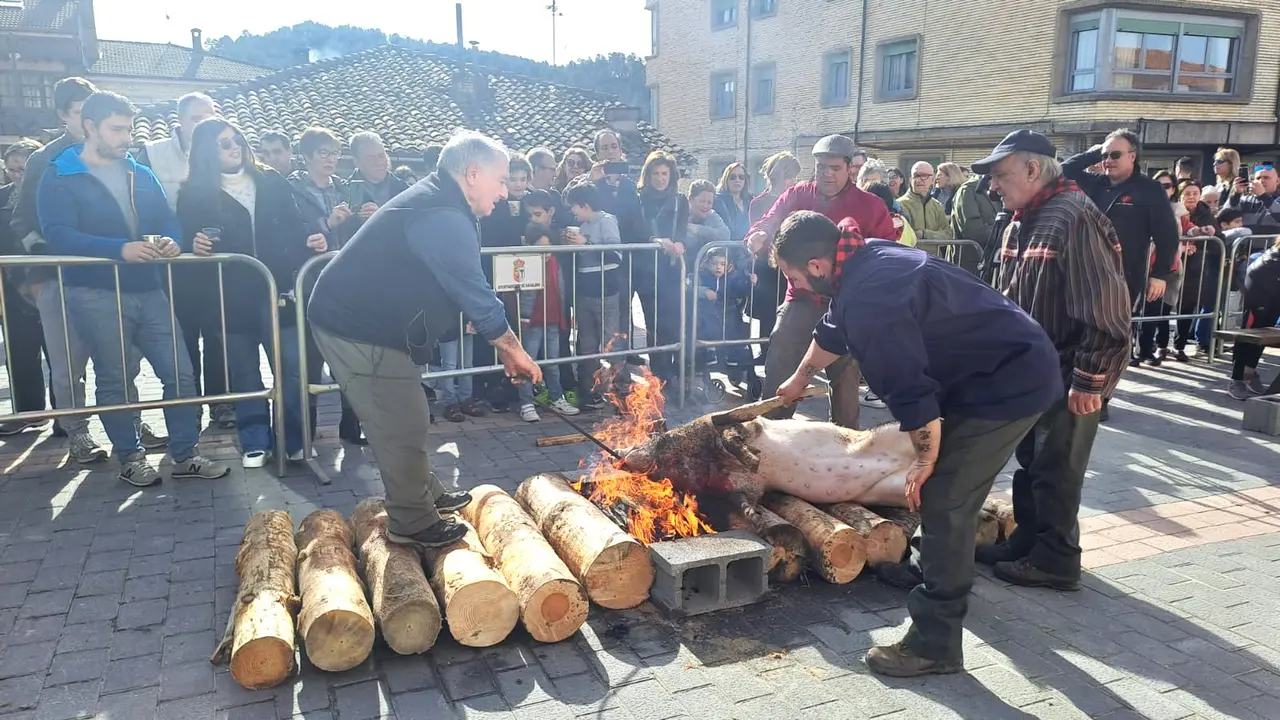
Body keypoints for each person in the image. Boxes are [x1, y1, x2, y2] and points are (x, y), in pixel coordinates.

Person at [772, 211, 1060, 677]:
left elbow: (910, 389)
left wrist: (926, 456)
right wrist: (797, 379)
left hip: (1008, 382)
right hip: (988, 373)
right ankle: (932, 567)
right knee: (944, 488)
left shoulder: (871, 296)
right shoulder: (862, 263)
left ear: (817, 264)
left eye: (793, 275)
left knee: (945, 496)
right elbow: (832, 329)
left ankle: (934, 642)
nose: (796, 284)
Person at [308, 130, 542, 548]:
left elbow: (448, 284)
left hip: (369, 320)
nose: (505, 192)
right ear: (472, 173)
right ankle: (412, 520)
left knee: (406, 413)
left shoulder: (442, 201)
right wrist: (513, 349)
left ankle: (423, 491)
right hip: (354, 324)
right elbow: (473, 288)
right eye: (501, 180)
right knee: (401, 418)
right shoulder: (442, 214)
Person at [37, 91, 230, 487]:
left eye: (128, 128)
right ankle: (130, 458)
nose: (126, 137)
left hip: (149, 288)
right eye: (117, 129)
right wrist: (118, 249)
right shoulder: (58, 173)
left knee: (179, 371)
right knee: (115, 377)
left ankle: (186, 454)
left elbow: (166, 218)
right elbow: (58, 235)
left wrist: (173, 242)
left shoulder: (139, 172)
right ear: (90, 127)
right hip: (94, 292)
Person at [971, 130, 1131, 592]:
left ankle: (1057, 559)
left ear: (1032, 169)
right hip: (1034, 371)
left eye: (1000, 176)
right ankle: (1029, 541)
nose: (992, 187)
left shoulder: (1072, 216)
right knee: (1033, 462)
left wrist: (1089, 379)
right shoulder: (1025, 217)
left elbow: (1107, 308)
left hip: (1070, 371)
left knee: (1057, 468)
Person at [7, 77, 160, 453]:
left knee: (124, 360)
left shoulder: (124, 158)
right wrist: (41, 274)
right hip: (62, 279)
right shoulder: (46, 160)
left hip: (116, 278)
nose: (90, 120)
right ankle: (77, 432)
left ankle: (133, 424)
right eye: (80, 113)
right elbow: (21, 221)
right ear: (64, 116)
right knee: (68, 365)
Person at [176, 118, 329, 468]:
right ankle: (254, 440)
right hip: (229, 297)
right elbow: (185, 239)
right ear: (205, 151)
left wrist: (313, 240)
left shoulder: (271, 180)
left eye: (237, 141)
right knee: (244, 372)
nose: (234, 148)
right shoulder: (193, 193)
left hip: (281, 291)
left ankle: (293, 439)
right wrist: (192, 243)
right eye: (224, 143)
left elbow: (298, 228)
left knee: (292, 367)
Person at [746, 134, 897, 429]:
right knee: (781, 353)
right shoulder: (797, 194)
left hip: (846, 302)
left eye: (834, 168)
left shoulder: (870, 205)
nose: (826, 173)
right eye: (820, 167)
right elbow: (770, 219)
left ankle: (845, 439)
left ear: (849, 168)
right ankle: (770, 431)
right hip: (801, 298)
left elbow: (885, 249)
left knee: (845, 372)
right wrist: (759, 234)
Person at [1063, 128, 1180, 418]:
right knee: (1083, 332)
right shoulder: (1096, 183)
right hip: (1086, 271)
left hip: (1124, 275)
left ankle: (1103, 397)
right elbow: (1066, 169)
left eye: (1115, 155)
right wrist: (1096, 151)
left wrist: (1161, 274)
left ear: (1133, 156)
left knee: (1111, 335)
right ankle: (1081, 388)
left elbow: (1167, 236)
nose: (1108, 161)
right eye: (1105, 155)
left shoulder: (1149, 190)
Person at [138, 92, 233, 429]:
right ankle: (189, 406)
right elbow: (147, 209)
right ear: (180, 121)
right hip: (175, 267)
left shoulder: (226, 153)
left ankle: (222, 404)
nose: (204, 123)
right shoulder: (151, 154)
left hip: (218, 268)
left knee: (219, 338)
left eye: (210, 116)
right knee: (184, 340)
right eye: (196, 118)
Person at [288, 126, 365, 444]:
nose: (331, 159)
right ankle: (305, 432)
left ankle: (351, 426)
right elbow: (289, 230)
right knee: (308, 361)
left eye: (335, 153)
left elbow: (357, 231)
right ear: (306, 157)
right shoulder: (290, 189)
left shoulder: (348, 188)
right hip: (309, 282)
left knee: (349, 359)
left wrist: (365, 216)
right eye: (324, 153)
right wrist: (324, 225)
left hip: (345, 284)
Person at [0, 139, 52, 431]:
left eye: (23, 169)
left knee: (61, 355)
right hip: (11, 288)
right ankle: (28, 413)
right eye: (12, 170)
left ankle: (67, 418)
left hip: (49, 281)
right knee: (20, 352)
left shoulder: (49, 195)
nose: (17, 175)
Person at [564, 181, 623, 407]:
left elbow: (616, 255)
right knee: (586, 345)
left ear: (585, 205)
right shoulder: (583, 225)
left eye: (574, 207)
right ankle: (591, 392)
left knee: (610, 342)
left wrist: (585, 242)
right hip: (584, 293)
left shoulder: (606, 220)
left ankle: (622, 390)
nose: (572, 211)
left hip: (605, 291)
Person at [515, 224, 579, 422]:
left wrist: (566, 314)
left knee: (553, 362)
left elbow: (562, 290)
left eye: (548, 247)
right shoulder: (523, 263)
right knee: (527, 362)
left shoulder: (556, 264)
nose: (545, 252)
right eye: (540, 247)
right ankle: (526, 402)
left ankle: (556, 396)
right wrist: (522, 315)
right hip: (531, 319)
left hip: (553, 318)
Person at [635, 151, 688, 388]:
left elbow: (683, 230)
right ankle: (659, 374)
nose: (660, 178)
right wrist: (655, 240)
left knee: (674, 322)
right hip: (647, 270)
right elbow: (633, 229)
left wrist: (679, 242)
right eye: (655, 173)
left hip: (672, 269)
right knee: (653, 324)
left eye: (664, 173)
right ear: (648, 175)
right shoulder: (639, 199)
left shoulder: (680, 200)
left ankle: (675, 371)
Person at [1171, 180, 1218, 363]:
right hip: (1170, 265)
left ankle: (1180, 346)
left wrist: (1199, 247)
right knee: (1163, 307)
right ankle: (1158, 345)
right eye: (1187, 193)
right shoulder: (1172, 210)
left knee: (1186, 308)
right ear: (1180, 194)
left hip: (1195, 270)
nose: (1191, 197)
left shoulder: (1206, 214)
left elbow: (1218, 241)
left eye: (1195, 193)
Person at [693, 248, 754, 387]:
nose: (718, 267)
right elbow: (689, 286)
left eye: (722, 263)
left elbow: (741, 290)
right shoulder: (701, 275)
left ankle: (734, 356)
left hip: (729, 310)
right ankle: (710, 351)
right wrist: (704, 292)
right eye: (714, 263)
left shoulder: (733, 277)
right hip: (708, 313)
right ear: (707, 264)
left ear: (728, 265)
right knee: (707, 319)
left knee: (735, 323)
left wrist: (750, 283)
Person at [1230, 238, 1280, 399]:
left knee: (1266, 330)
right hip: (1260, 284)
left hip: (1275, 285)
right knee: (1251, 331)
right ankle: (1236, 379)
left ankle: (1249, 373)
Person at [949, 172, 999, 275]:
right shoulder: (967, 191)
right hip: (969, 264)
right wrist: (1005, 235)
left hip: (991, 261)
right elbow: (973, 230)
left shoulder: (999, 190)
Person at [348, 131, 410, 210]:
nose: (378, 162)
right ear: (357, 162)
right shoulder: (343, 192)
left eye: (381, 156)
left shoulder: (404, 191)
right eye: (371, 158)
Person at [899, 162, 953, 242]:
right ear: (910, 179)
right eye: (916, 176)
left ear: (933, 179)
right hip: (910, 254)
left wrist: (925, 234)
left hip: (934, 254)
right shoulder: (900, 205)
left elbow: (948, 235)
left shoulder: (937, 206)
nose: (918, 180)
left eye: (924, 176)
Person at [1225, 162, 1280, 235]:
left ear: (1278, 181)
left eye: (1266, 177)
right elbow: (1226, 216)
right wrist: (1236, 195)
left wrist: (1263, 196)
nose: (1261, 180)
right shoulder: (1246, 199)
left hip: (1272, 245)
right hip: (1246, 245)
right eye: (1258, 178)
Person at [713, 162, 753, 242]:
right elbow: (728, 230)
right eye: (733, 177)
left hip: (748, 246)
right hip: (728, 248)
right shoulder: (718, 200)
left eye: (741, 177)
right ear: (726, 179)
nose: (737, 180)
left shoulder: (750, 200)